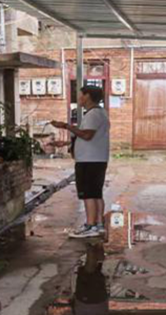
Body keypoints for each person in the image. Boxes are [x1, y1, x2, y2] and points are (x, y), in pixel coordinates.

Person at [51, 85, 110, 239]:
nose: (79, 98)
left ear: (88, 96)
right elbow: (88, 137)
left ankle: (90, 226)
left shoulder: (93, 114)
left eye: (81, 95)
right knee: (96, 193)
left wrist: (66, 126)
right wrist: (67, 143)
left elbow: (87, 135)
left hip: (89, 160)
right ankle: (98, 225)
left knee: (88, 194)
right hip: (96, 159)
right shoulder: (99, 113)